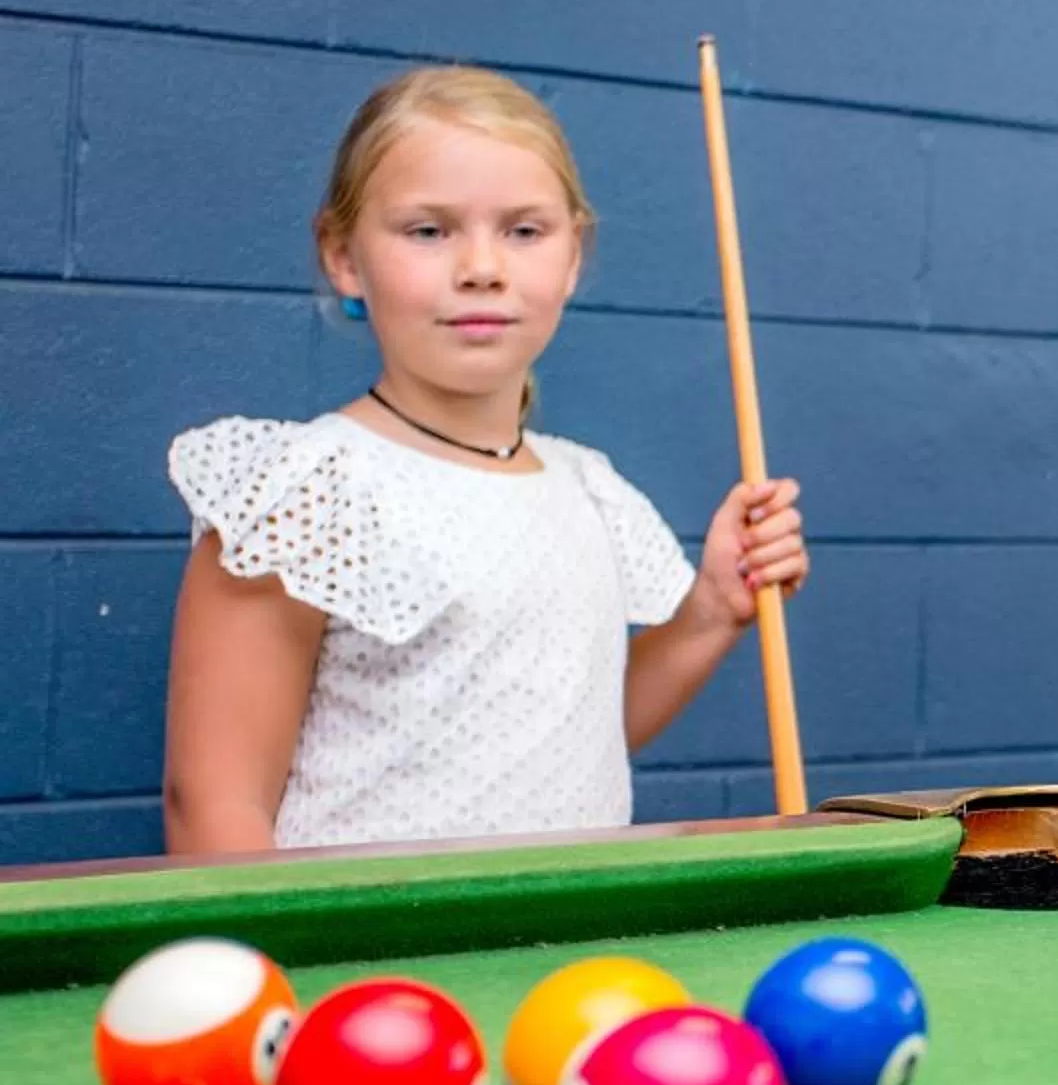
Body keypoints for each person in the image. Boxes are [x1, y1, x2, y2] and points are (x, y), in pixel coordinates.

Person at [160, 65, 808, 854]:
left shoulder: (590, 489)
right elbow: (212, 808)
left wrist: (710, 611)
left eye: (524, 231)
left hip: (564, 955)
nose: (482, 267)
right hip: (372, 965)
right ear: (343, 256)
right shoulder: (302, 492)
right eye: (428, 231)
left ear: (573, 257)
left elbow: (576, 730)